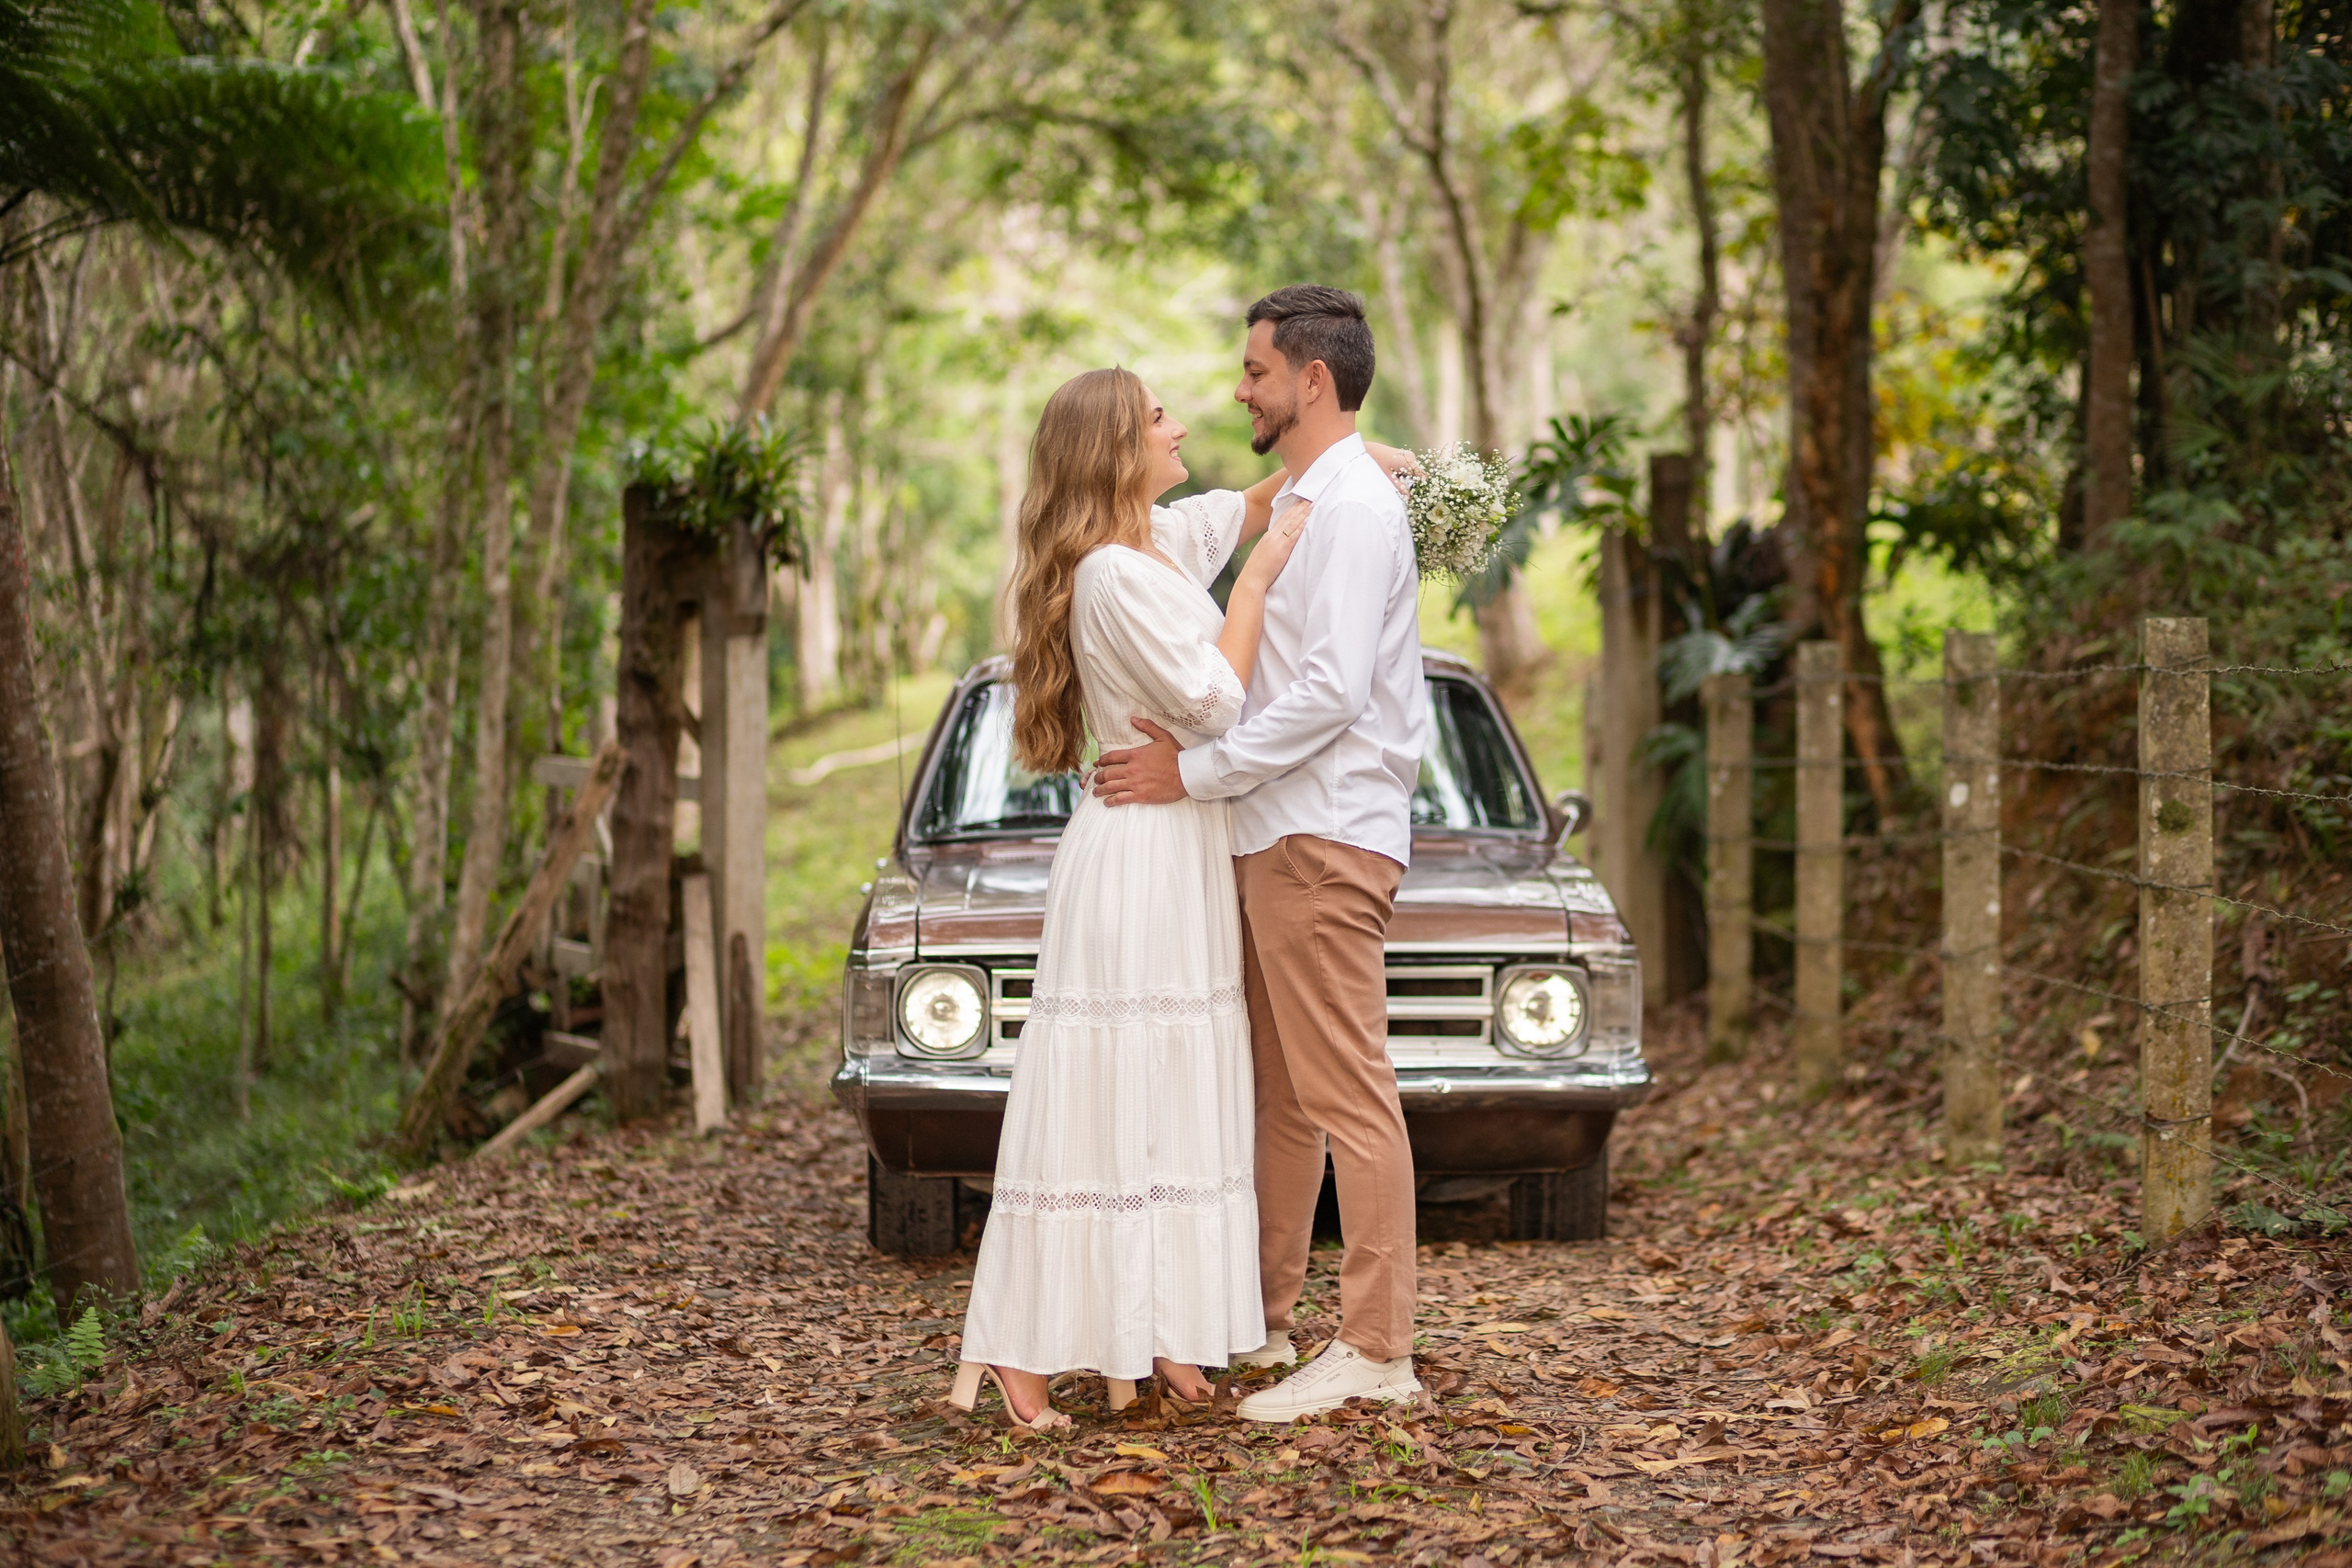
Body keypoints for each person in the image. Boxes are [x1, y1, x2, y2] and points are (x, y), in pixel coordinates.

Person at [946, 367, 1309, 1430]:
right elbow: (1213, 702)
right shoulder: (1112, 573)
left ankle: (1163, 1333)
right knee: (1104, 1100)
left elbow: (1247, 505)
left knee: (1177, 1092)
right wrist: (1250, 591)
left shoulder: (1153, 545)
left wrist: (1390, 472)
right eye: (1160, 418)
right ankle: (1022, 1351)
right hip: (1138, 856)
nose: (1183, 424)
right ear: (1115, 447)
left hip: (1183, 848)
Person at [1091, 285, 1430, 1424]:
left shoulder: (1348, 512)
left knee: (1346, 1090)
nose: (1235, 391)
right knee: (1280, 1094)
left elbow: (1329, 693)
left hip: (1322, 829)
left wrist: (1191, 775)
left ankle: (1378, 1349)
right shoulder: (1324, 487)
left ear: (1309, 382)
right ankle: (1267, 1322)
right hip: (1276, 829)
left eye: (1252, 372)